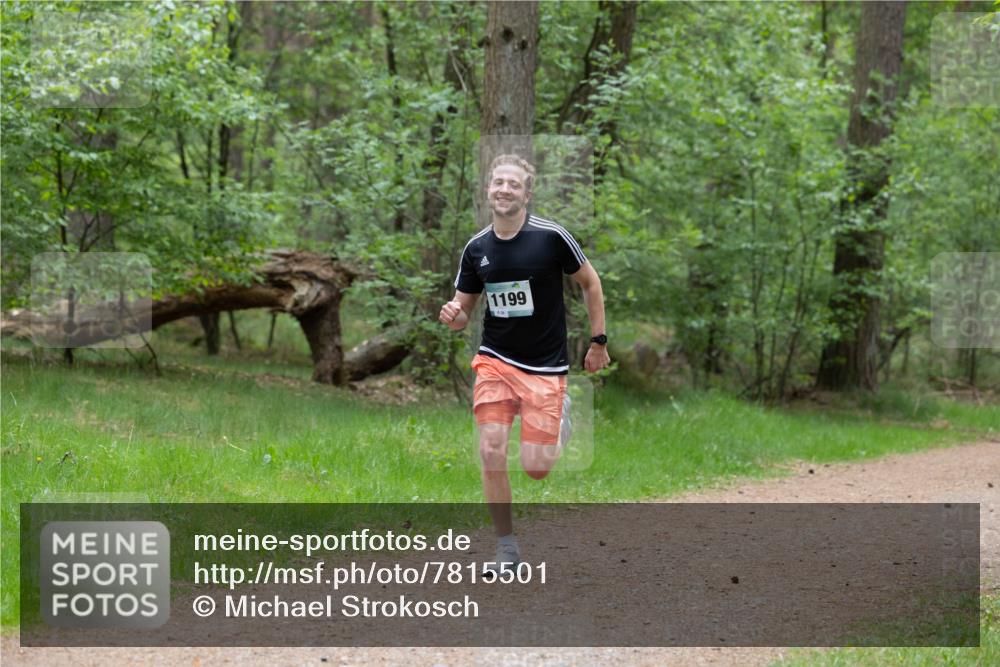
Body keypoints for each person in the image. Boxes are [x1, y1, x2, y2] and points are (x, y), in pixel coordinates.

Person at [438, 154, 610, 573]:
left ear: (527, 193)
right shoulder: (476, 248)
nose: (504, 189)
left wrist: (599, 342)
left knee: (536, 468)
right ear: (488, 190)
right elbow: (463, 312)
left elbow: (590, 282)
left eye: (513, 184)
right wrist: (455, 316)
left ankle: (561, 418)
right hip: (495, 362)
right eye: (498, 182)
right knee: (490, 448)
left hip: (545, 366)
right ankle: (506, 548)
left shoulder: (551, 238)